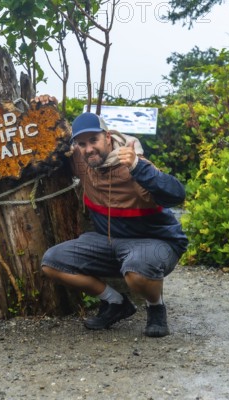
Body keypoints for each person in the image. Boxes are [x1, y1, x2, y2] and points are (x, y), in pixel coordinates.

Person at [36, 95, 188, 338]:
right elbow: (48, 140)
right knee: (52, 262)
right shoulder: (82, 160)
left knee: (137, 270)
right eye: (82, 144)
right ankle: (116, 303)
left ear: (107, 137)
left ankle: (156, 307)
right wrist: (45, 107)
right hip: (110, 240)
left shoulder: (134, 164)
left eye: (93, 140)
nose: (88, 149)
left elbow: (177, 194)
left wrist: (139, 167)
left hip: (156, 241)